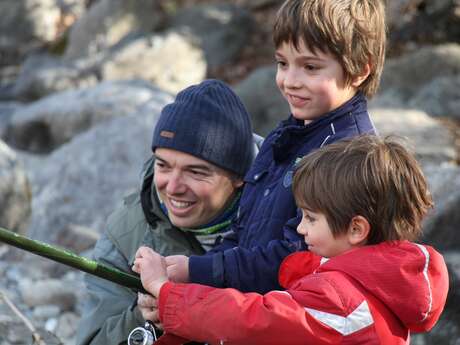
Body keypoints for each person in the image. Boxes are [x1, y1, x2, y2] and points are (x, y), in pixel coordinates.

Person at [133, 135, 450, 345]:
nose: (300, 229)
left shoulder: (341, 299)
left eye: (311, 218)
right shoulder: (375, 285)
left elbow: (251, 320)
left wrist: (167, 293)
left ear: (356, 229)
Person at [164, 0, 387, 294]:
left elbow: (294, 259)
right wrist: (187, 282)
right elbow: (242, 233)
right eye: (283, 63)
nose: (289, 81)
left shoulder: (349, 158)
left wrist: (194, 271)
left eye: (310, 67)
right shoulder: (282, 137)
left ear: (359, 70)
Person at [76, 79, 260, 345]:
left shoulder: (292, 217)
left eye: (195, 172)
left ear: (240, 176)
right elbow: (93, 341)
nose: (172, 187)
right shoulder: (128, 231)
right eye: (163, 166)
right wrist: (144, 317)